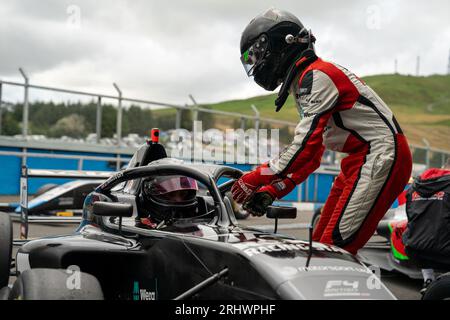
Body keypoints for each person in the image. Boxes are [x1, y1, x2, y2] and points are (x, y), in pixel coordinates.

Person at [232, 8, 412, 254]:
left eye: (256, 55)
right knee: (318, 246)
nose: (256, 64)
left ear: (277, 44)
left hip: (380, 155)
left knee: (332, 250)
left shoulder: (317, 76)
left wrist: (253, 178)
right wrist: (273, 190)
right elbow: (313, 155)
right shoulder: (308, 77)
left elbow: (303, 148)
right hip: (362, 159)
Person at [403, 159, 450, 294]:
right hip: (444, 252)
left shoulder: (415, 186)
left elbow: (410, 217)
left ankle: (428, 279)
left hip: (415, 251)